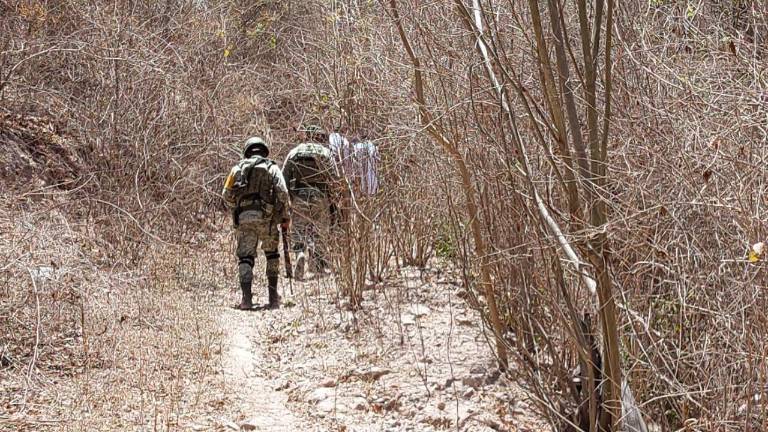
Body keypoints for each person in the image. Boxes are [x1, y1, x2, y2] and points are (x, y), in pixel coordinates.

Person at [222, 137, 291, 309]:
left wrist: (237, 208)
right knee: (272, 254)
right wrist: (284, 214)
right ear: (264, 151)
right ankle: (273, 298)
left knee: (245, 258)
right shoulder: (272, 167)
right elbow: (283, 192)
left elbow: (226, 194)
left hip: (244, 218)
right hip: (267, 219)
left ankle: (246, 299)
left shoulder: (236, 169)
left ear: (247, 151)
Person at [282, 126, 339, 280]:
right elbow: (334, 179)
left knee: (298, 231)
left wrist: (288, 200)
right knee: (320, 233)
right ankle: (318, 265)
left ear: (306, 136)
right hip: (320, 197)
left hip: (300, 196)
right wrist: (333, 202)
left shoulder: (294, 152)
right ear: (320, 137)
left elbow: (283, 179)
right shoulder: (326, 153)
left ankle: (300, 253)